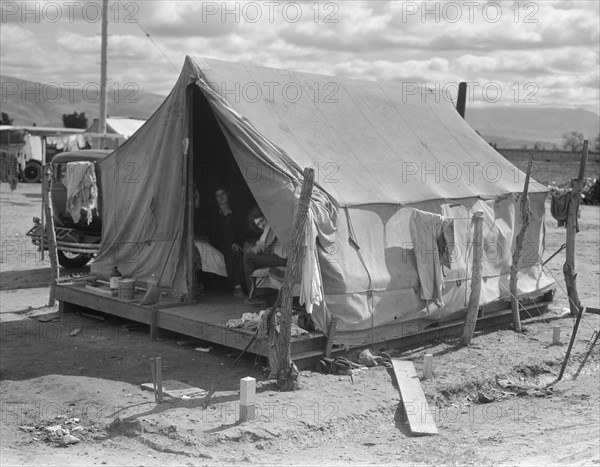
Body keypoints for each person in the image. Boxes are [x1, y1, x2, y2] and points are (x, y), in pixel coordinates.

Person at [243, 207, 287, 305]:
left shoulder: (271, 222)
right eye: (258, 224)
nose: (261, 225)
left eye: (262, 220)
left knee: (248, 257)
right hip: (280, 257)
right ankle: (262, 293)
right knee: (251, 256)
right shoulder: (269, 225)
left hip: (284, 259)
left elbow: (262, 244)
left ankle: (255, 295)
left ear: (265, 216)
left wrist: (251, 250)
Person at [209, 186, 246, 298]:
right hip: (220, 244)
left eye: (223, 194)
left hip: (233, 243)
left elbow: (241, 231)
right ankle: (236, 288)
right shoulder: (214, 214)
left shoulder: (236, 213)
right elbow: (213, 234)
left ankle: (239, 287)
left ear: (228, 194)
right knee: (230, 252)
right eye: (217, 195)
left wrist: (238, 242)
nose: (221, 197)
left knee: (238, 252)